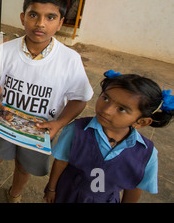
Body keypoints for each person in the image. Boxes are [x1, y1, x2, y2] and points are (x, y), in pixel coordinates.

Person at [0, 0, 94, 202]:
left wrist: (59, 123)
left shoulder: (70, 59)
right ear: (23, 18)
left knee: (24, 168)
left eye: (50, 17)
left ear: (60, 23)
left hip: (40, 132)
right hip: (4, 124)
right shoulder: (7, 50)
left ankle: (14, 194)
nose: (40, 24)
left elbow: (80, 98)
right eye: (33, 15)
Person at [44, 70, 174, 203]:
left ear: (141, 122)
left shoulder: (146, 154)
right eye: (105, 98)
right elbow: (61, 161)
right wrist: (51, 189)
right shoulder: (76, 130)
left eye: (121, 109)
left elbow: (134, 187)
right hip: (67, 194)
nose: (106, 110)